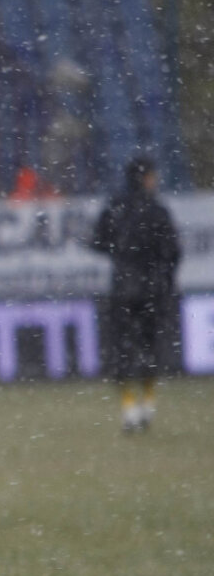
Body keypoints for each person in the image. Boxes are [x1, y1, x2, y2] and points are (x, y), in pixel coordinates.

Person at [91, 156, 181, 432]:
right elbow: (174, 252)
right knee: (150, 347)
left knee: (122, 350)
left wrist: (121, 256)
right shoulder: (158, 210)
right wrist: (163, 277)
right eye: (152, 175)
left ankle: (129, 408)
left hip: (123, 288)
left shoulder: (115, 206)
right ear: (145, 177)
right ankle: (147, 405)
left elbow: (96, 241)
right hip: (153, 290)